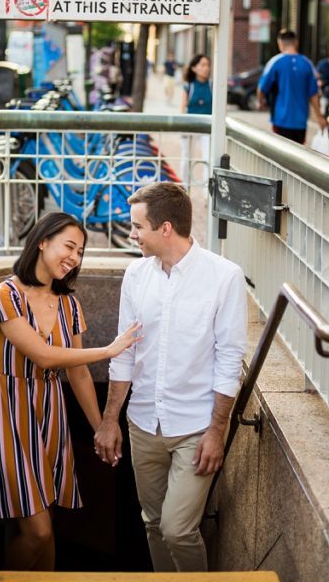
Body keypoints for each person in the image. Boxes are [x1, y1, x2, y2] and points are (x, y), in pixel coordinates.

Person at [0, 212, 142, 571]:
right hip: (8, 412)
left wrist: (100, 428)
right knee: (39, 533)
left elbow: (77, 372)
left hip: (50, 418)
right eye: (69, 246)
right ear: (43, 241)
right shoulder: (5, 294)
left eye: (80, 251)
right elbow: (44, 356)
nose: (74, 258)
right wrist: (109, 349)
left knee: (47, 528)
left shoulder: (69, 304)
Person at [94, 183, 247, 573]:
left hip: (196, 427)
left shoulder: (224, 277)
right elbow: (124, 352)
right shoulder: (135, 274)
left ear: (165, 228)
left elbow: (230, 360)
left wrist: (217, 430)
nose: (131, 235)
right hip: (143, 422)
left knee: (178, 529)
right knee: (154, 524)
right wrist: (110, 419)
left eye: (137, 227)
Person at [257, 29, 327, 144]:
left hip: (281, 119)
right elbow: (313, 94)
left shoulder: (275, 62)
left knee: (280, 154)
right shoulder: (307, 64)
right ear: (296, 42)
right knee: (297, 155)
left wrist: (261, 102)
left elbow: (261, 88)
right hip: (301, 121)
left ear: (280, 43)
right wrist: (319, 117)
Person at [180, 54, 212, 183]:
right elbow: (182, 108)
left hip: (207, 128)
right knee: (186, 158)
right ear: (194, 68)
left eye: (208, 65)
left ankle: (207, 195)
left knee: (208, 158)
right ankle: (183, 188)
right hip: (190, 127)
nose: (206, 68)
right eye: (203, 65)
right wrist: (181, 128)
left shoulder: (212, 85)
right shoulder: (188, 86)